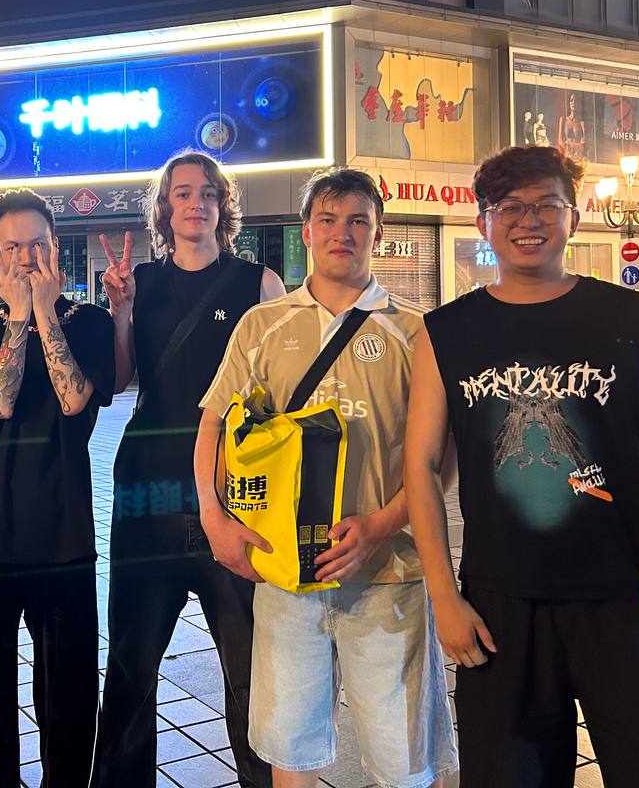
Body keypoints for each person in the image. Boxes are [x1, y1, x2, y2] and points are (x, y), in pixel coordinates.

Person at [404, 145, 639, 787]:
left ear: (575, 215)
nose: (528, 220)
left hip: (628, 598)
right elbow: (421, 466)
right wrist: (444, 597)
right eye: (509, 206)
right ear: (484, 221)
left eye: (547, 204)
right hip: (500, 609)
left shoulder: (633, 320)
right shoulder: (445, 333)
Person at [195, 168, 457, 788]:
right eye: (329, 220)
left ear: (379, 233)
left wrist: (380, 525)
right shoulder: (262, 325)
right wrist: (215, 520)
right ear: (306, 232)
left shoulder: (417, 332)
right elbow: (214, 426)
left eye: (359, 221)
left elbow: (443, 457)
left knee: (404, 758)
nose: (344, 233)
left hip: (390, 573)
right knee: (292, 750)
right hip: (286, 574)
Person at [93, 151, 285, 787]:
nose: (195, 203)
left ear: (223, 206)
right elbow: (120, 381)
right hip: (146, 491)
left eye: (207, 192)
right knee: (131, 664)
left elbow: (281, 392)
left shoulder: (259, 284)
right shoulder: (140, 282)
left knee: (251, 669)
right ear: (165, 208)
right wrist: (120, 311)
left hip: (236, 497)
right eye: (182, 193)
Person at [0, 187, 115, 785]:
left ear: (56, 248)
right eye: (13, 247)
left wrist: (44, 314)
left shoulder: (91, 324)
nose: (27, 257)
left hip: (63, 536)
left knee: (69, 697)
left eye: (37, 244)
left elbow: (74, 401)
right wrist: (19, 317)